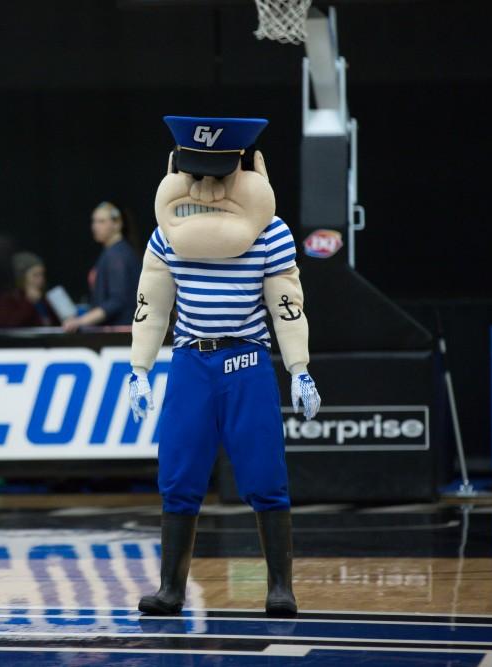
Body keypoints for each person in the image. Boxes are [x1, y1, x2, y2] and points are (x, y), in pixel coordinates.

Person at [128, 116, 322, 619]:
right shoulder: (166, 235)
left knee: (264, 473)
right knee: (179, 470)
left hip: (246, 359)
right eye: (195, 174)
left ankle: (281, 587)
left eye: (218, 175)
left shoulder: (271, 233)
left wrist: (299, 367)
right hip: (191, 358)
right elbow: (152, 301)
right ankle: (171, 588)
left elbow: (287, 302)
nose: (207, 188)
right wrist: (139, 368)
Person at [62, 202, 141, 332]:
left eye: (101, 221)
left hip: (119, 333)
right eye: (94, 221)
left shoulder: (117, 255)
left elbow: (117, 301)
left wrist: (81, 321)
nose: (95, 226)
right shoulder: (114, 252)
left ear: (117, 224)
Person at [0, 251, 60, 328]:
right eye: (35, 275)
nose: (41, 280)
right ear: (22, 278)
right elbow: (8, 327)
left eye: (42, 274)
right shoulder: (8, 299)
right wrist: (28, 303)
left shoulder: (44, 299)